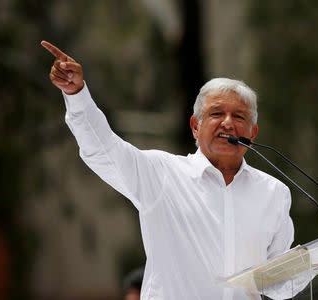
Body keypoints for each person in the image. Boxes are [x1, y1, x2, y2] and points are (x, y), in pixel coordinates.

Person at [41, 41, 294, 300]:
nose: (228, 123)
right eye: (217, 113)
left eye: (239, 117)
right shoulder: (161, 174)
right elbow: (102, 150)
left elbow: (279, 284)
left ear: (253, 133)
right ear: (195, 126)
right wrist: (77, 95)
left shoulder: (274, 193)